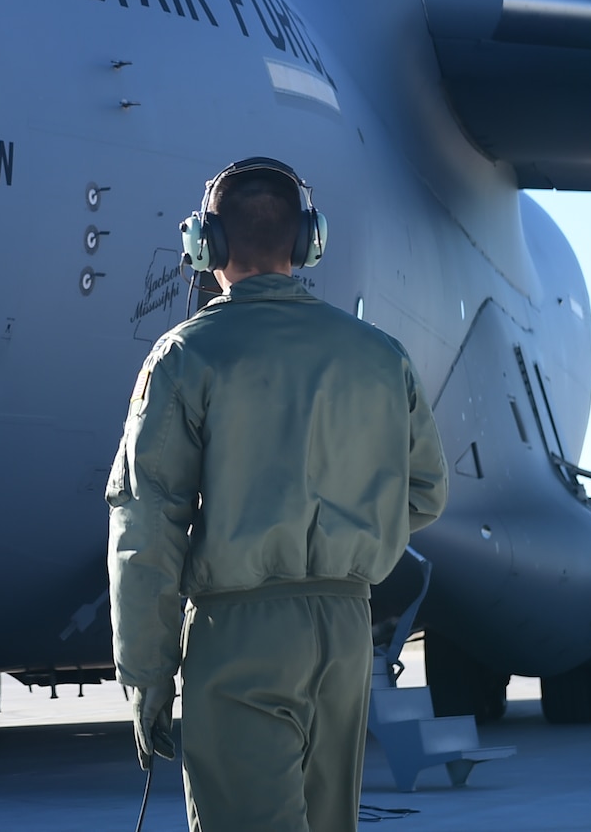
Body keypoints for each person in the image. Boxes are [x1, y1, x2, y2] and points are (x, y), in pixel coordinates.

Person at [105, 158, 447, 832]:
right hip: (346, 631)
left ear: (207, 244)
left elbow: (148, 522)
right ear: (305, 241)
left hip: (240, 628)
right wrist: (350, 544)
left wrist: (146, 678)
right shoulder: (381, 357)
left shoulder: (186, 355)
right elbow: (427, 493)